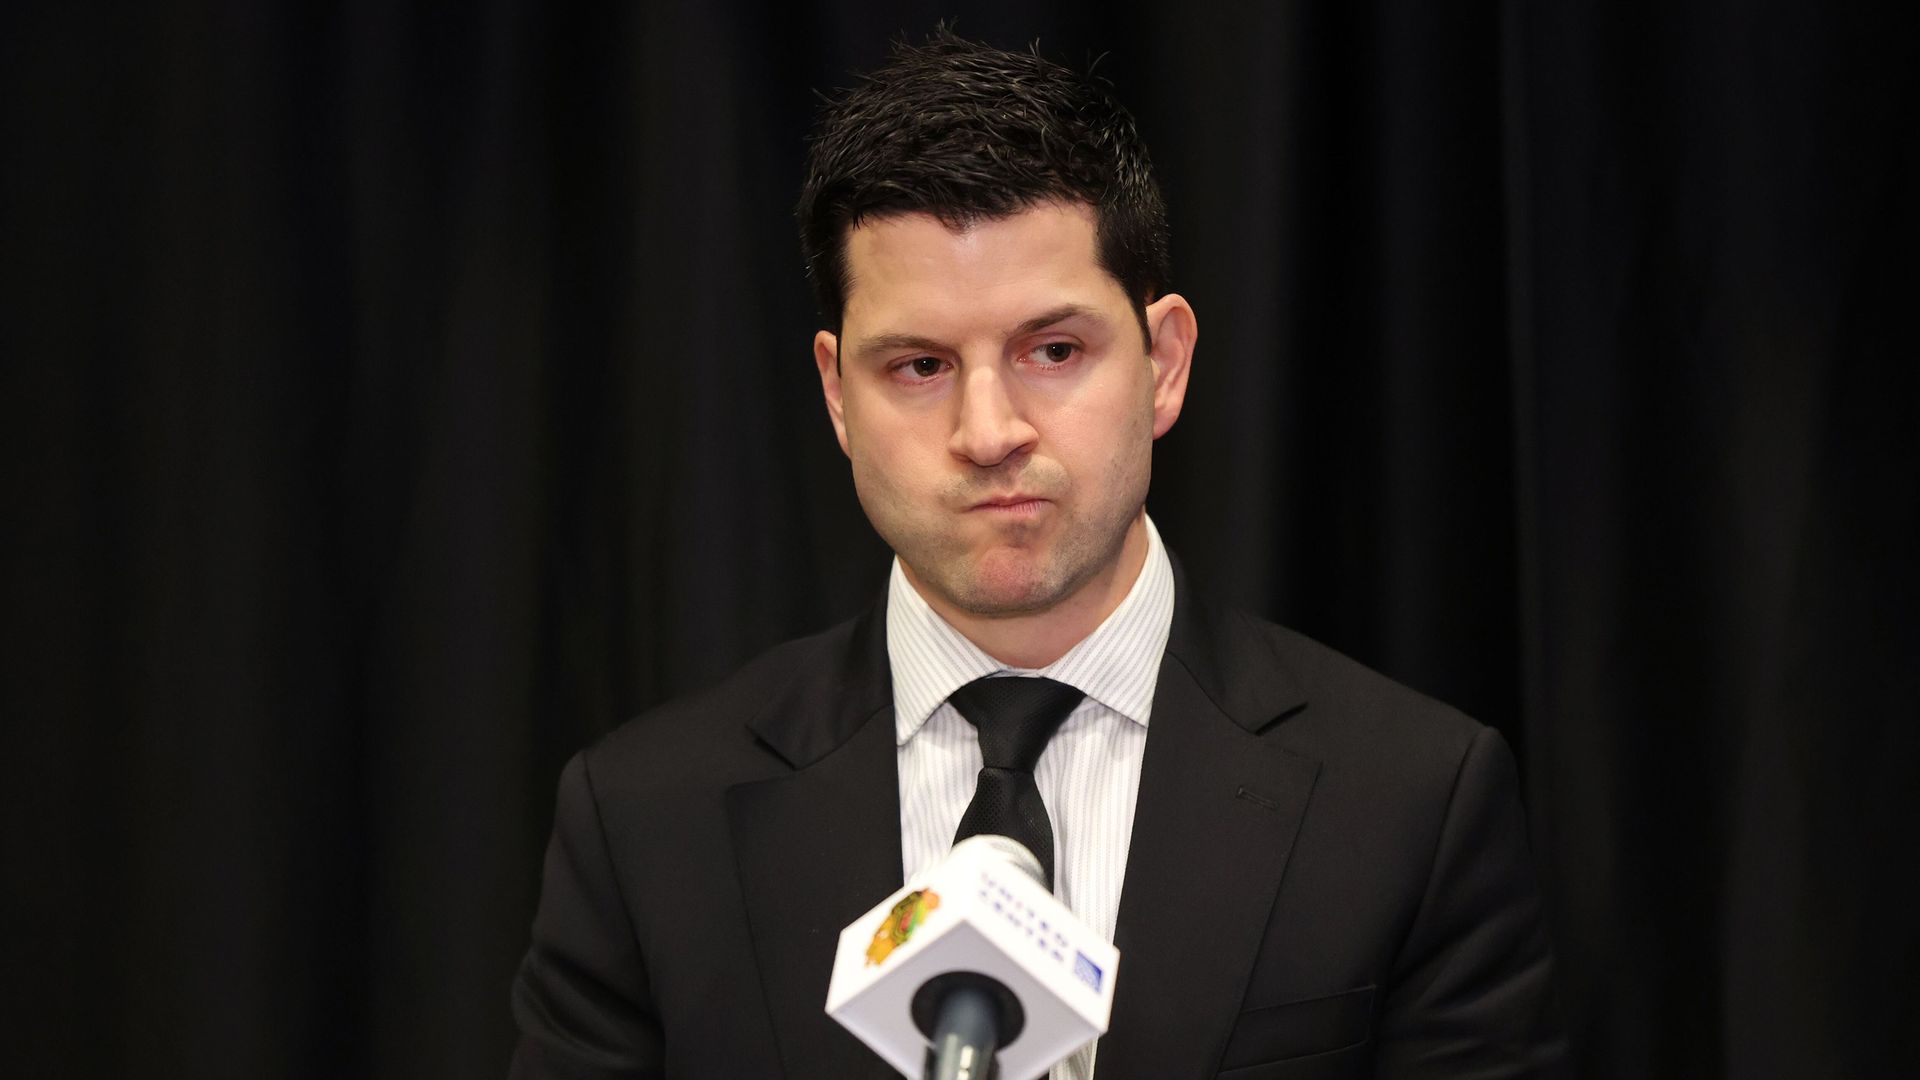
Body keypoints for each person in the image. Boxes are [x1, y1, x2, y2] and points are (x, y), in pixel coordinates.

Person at [510, 28, 1567, 1080]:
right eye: (919, 366)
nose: (988, 431)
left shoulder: (1410, 803)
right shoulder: (645, 824)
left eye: (1052, 351)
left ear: (1164, 364)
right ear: (837, 395)